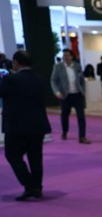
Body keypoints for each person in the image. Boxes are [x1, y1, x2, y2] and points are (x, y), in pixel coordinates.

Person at [0, 51, 52, 201]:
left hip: (16, 126)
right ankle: (37, 187)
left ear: (16, 63)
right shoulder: (39, 79)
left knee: (12, 155)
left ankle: (30, 186)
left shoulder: (11, 79)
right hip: (37, 124)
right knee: (35, 157)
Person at [50, 48, 91, 144]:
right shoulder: (58, 67)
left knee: (81, 116)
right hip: (65, 96)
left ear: (72, 56)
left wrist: (83, 91)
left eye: (67, 55)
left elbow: (81, 80)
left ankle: (82, 136)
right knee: (65, 115)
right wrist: (57, 92)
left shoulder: (77, 66)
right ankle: (64, 132)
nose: (65, 57)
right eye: (64, 55)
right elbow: (53, 81)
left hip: (77, 95)